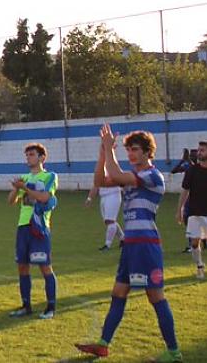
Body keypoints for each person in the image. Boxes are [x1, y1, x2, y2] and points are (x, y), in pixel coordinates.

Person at [76, 126, 181, 362]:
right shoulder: (133, 177)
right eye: (129, 150)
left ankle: (174, 352)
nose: (131, 154)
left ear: (147, 152)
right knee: (118, 293)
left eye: (135, 150)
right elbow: (100, 180)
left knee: (156, 297)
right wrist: (104, 152)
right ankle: (103, 344)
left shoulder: (152, 176)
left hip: (145, 245)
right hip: (131, 245)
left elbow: (116, 172)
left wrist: (107, 148)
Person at [7, 143, 58, 320]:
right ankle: (26, 305)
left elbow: (44, 197)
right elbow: (11, 202)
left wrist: (25, 188)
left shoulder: (49, 176)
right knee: (22, 266)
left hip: (39, 227)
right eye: (27, 154)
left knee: (44, 267)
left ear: (42, 157)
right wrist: (15, 188)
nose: (28, 157)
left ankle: (51, 307)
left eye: (32, 154)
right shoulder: (24, 177)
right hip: (23, 226)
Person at [177, 140, 207, 280]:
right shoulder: (192, 170)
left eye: (202, 150)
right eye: (199, 150)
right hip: (195, 213)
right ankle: (200, 266)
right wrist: (180, 209)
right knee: (194, 243)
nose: (199, 152)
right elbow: (185, 191)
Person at [85, 181, 125, 251]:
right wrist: (89, 198)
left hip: (113, 194)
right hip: (103, 196)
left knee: (110, 221)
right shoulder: (100, 171)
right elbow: (96, 184)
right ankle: (123, 239)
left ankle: (107, 245)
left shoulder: (114, 170)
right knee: (108, 221)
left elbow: (121, 180)